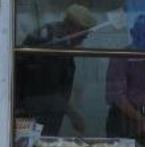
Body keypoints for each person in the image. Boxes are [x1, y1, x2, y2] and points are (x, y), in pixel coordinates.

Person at [15, 4, 98, 136]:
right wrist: (73, 114)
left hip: (42, 113)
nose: (85, 37)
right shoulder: (52, 44)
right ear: (74, 28)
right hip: (32, 114)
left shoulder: (60, 41)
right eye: (84, 33)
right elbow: (46, 91)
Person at [105, 14, 145, 142]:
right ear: (133, 33)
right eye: (142, 34)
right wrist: (140, 119)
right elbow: (118, 97)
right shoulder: (121, 58)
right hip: (123, 119)